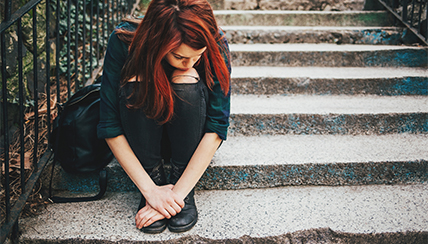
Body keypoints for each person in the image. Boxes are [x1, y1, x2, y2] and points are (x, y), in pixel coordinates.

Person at [97, 0, 231, 234]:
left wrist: (176, 196)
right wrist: (151, 191)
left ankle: (179, 178)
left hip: (192, 139)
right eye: (180, 56)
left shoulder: (214, 41)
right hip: (140, 136)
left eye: (197, 55)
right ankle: (155, 176)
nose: (190, 62)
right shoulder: (124, 41)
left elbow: (217, 126)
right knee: (138, 80)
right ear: (159, 42)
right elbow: (109, 124)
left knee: (185, 77)